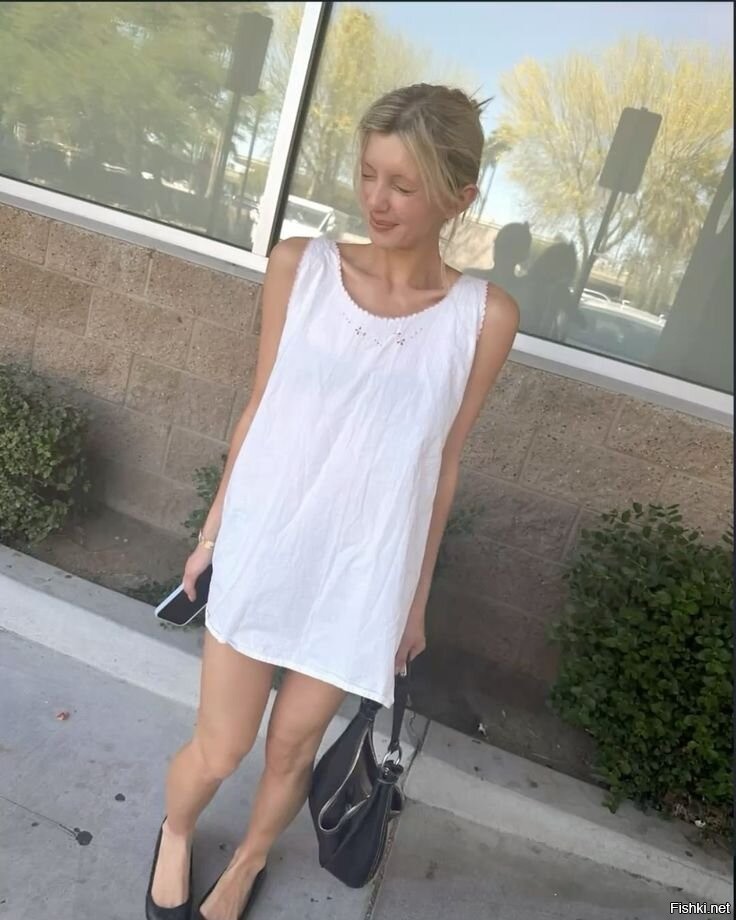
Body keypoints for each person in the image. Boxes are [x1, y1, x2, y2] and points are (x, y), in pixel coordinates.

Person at [145, 83, 519, 920]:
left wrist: (412, 602)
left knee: (291, 748)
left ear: (459, 197)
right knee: (221, 748)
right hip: (265, 543)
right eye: (369, 174)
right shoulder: (300, 267)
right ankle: (176, 831)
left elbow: (443, 465)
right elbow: (258, 407)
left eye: (404, 185)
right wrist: (211, 535)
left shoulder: (483, 318)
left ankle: (247, 862)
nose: (377, 200)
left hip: (361, 574)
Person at [467, 221, 532, 302]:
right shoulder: (471, 277)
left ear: (522, 255)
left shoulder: (523, 294)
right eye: (500, 244)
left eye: (510, 248)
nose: (502, 251)